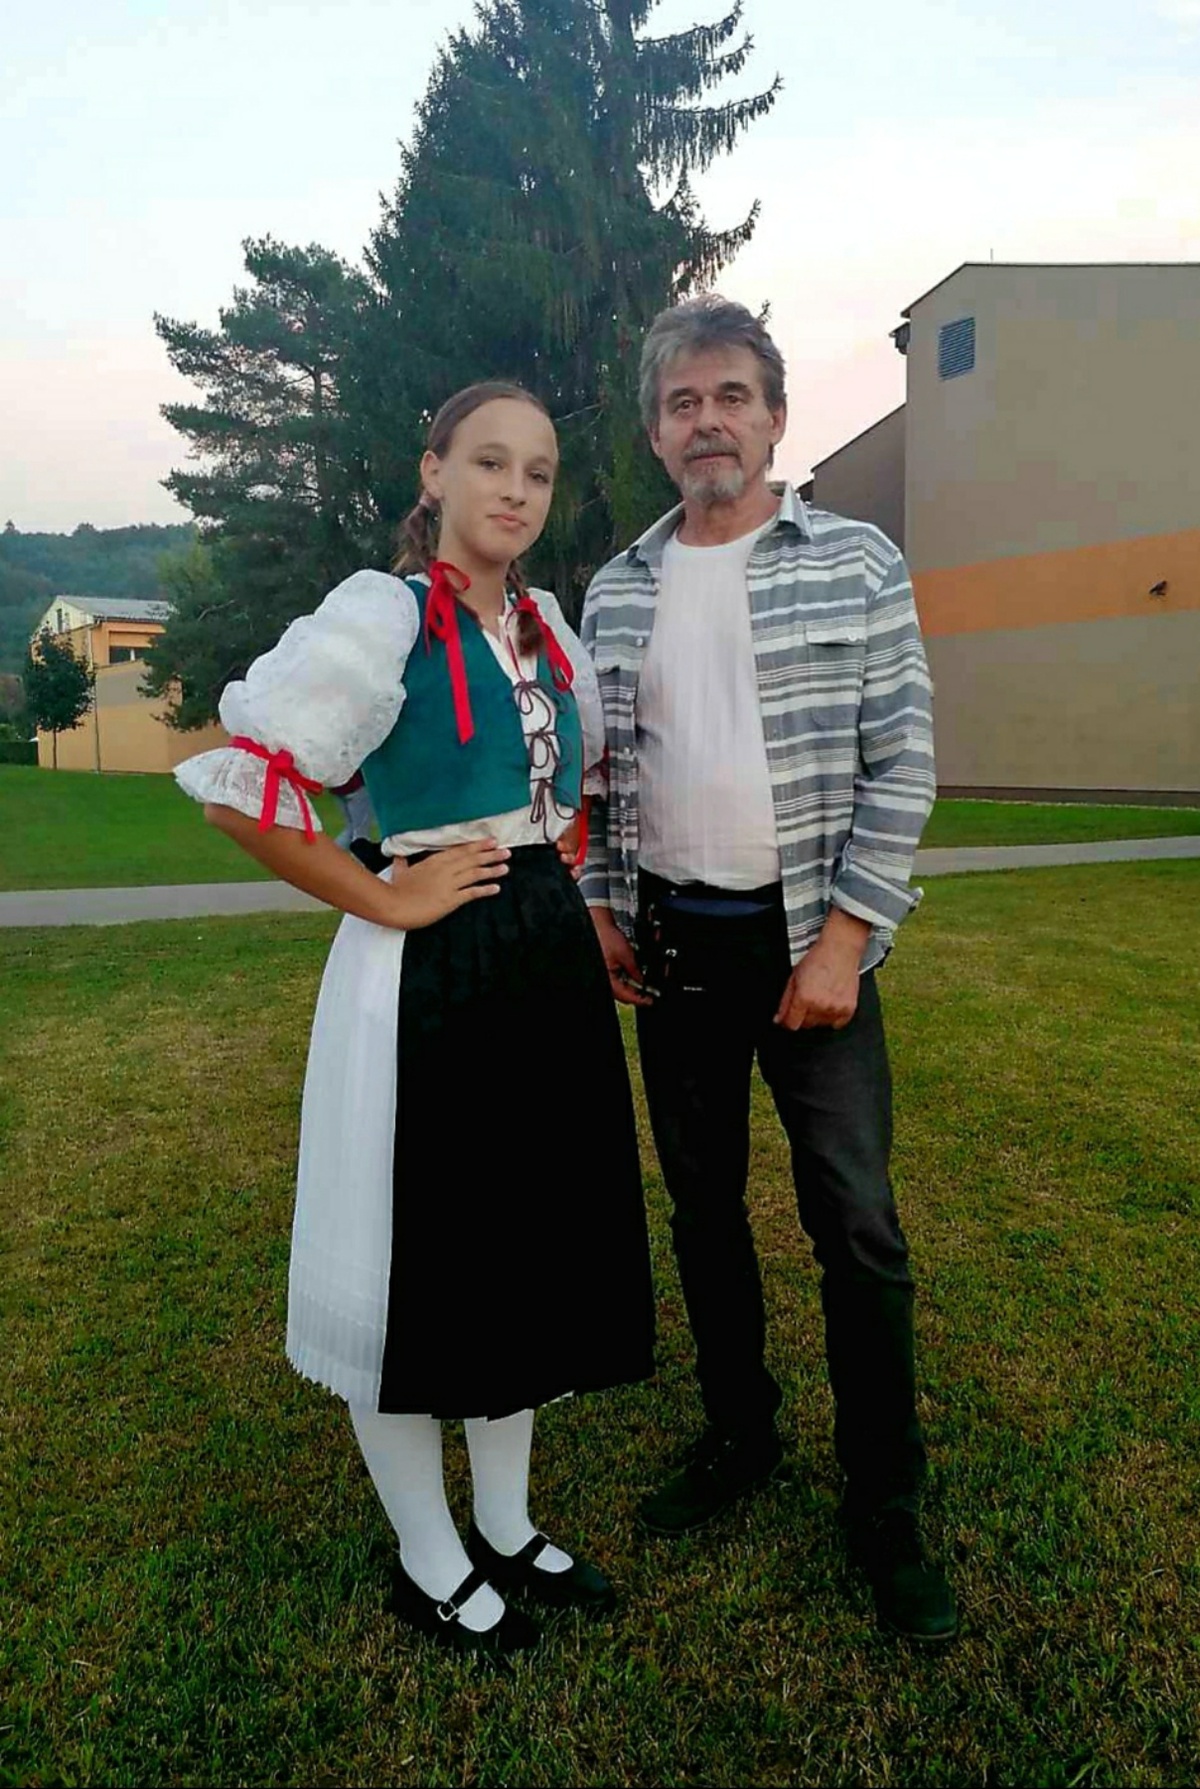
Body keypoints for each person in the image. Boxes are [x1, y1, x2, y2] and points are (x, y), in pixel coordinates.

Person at [175, 382, 655, 1658]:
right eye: (489, 462)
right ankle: (427, 1555)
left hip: (538, 955)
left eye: (538, 472)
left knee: (520, 1251)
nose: (516, 490)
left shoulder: (545, 627)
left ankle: (505, 1520)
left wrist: (565, 897)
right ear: (433, 471)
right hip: (426, 966)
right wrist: (386, 895)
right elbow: (240, 791)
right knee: (418, 1263)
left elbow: (562, 798)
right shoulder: (381, 613)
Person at [579, 297, 957, 1643]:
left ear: (776, 417)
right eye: (683, 403)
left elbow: (902, 761)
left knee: (857, 1223)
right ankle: (742, 1431)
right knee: (703, 1210)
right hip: (674, 946)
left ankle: (884, 1499)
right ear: (655, 432)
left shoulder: (856, 561)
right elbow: (600, 778)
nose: (709, 422)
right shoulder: (616, 591)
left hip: (812, 947)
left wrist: (848, 938)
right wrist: (600, 907)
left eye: (732, 396)